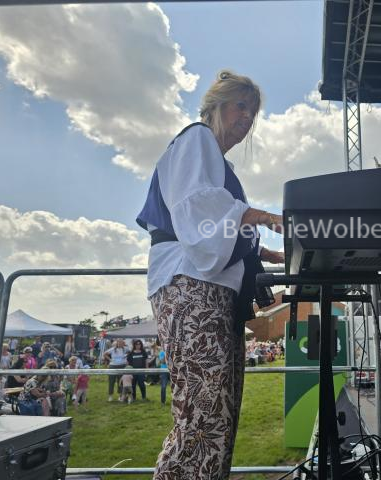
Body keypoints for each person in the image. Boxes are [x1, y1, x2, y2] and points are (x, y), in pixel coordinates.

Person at [137, 70, 284, 480]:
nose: (247, 118)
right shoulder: (197, 139)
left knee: (218, 412)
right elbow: (201, 211)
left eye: (252, 112)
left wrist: (266, 253)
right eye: (241, 106)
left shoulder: (216, 160)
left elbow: (220, 226)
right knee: (203, 418)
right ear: (215, 106)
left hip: (211, 289)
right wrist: (268, 217)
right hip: (190, 286)